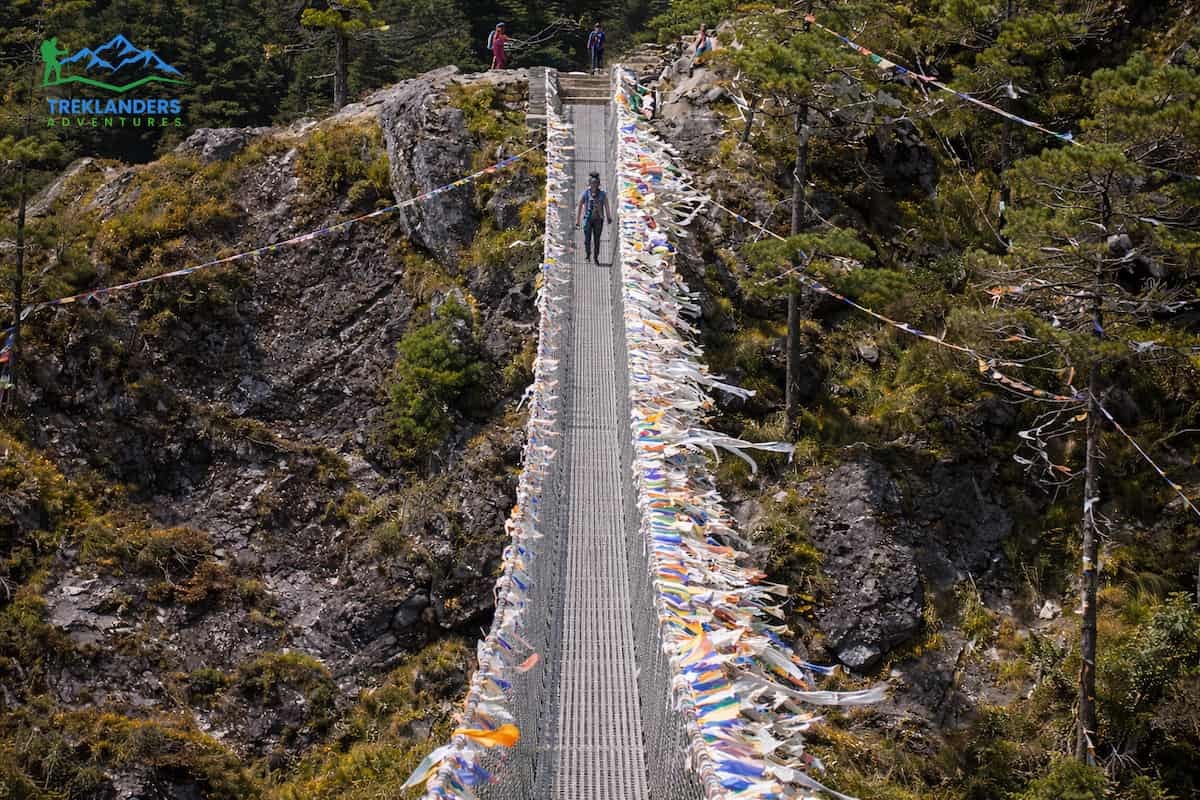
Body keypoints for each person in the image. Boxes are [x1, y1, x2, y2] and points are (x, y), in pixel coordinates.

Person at [575, 172, 612, 263]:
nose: (594, 185)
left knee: (597, 239)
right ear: (589, 184)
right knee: (587, 239)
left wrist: (608, 216)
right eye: (592, 183)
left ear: (598, 184)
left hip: (598, 220)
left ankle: (596, 257)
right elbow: (579, 205)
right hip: (588, 219)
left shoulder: (602, 194)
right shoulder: (585, 194)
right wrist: (577, 220)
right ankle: (588, 255)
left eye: (596, 183)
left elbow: (606, 205)